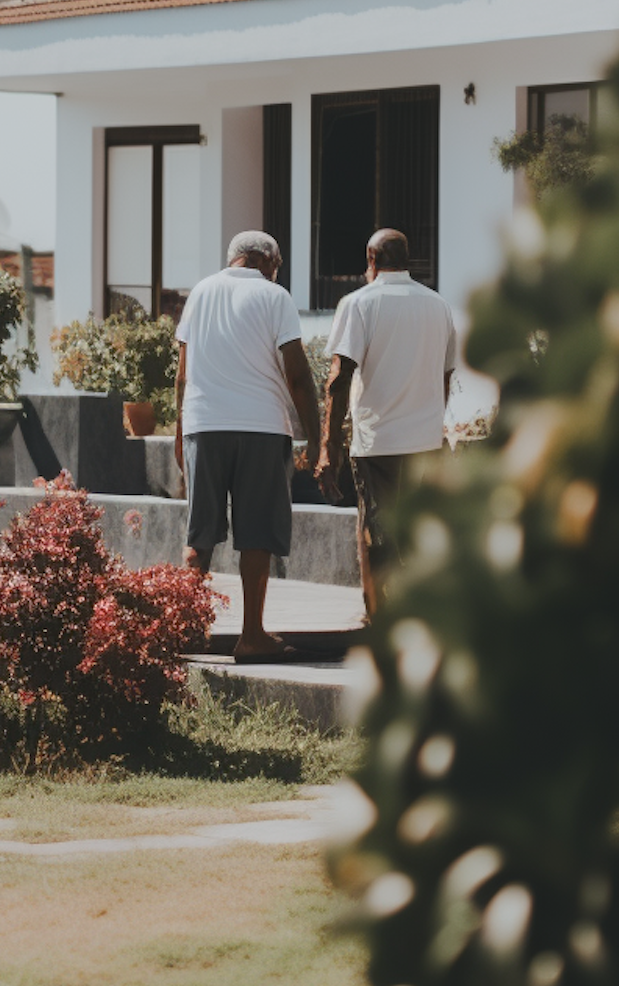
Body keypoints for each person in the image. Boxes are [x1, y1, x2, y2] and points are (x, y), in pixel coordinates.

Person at [173, 230, 322, 663]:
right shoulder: (275, 296)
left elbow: (182, 375)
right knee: (256, 535)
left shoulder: (200, 292)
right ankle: (252, 636)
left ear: (234, 258)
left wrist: (181, 433)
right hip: (260, 426)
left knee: (199, 534)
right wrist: (314, 435)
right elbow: (296, 374)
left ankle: (182, 628)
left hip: (204, 424)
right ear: (269, 261)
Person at [316, 228, 457, 616]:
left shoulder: (359, 303)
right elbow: (445, 377)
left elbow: (338, 379)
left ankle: (382, 621)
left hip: (377, 442)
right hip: (426, 443)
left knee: (378, 536)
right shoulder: (438, 305)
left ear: (370, 258)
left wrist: (329, 446)